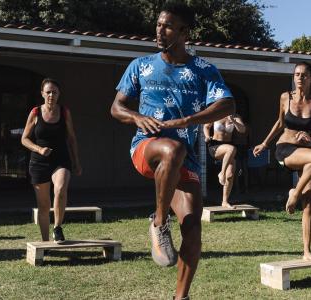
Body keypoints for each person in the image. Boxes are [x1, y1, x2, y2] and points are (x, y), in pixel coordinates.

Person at [110, 2, 234, 299]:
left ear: (184, 31)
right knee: (172, 148)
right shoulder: (141, 65)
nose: (159, 31)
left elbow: (227, 104)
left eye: (167, 26)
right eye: (158, 25)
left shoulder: (203, 70)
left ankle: (181, 296)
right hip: (146, 148)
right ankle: (159, 222)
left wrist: (191, 119)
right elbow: (116, 107)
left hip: (183, 160)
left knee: (193, 231)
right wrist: (137, 117)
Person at [253, 62, 311, 263]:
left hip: (307, 154)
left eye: (304, 75)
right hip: (285, 149)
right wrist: (264, 143)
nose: (299, 78)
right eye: (297, 74)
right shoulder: (285, 97)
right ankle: (294, 193)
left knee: (309, 204)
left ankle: (306, 251)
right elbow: (280, 123)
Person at [21, 78, 82, 243]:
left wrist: (76, 162)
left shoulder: (64, 112)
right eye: (48, 92)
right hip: (39, 163)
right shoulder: (35, 112)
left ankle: (57, 227)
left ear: (59, 94)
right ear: (42, 94)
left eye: (54, 92)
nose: (51, 95)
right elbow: (24, 139)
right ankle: (45, 242)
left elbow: (71, 138)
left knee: (61, 188)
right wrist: (39, 149)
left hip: (61, 159)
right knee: (43, 206)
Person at [203, 114, 246, 208]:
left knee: (230, 175)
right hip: (215, 146)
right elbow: (206, 126)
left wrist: (233, 121)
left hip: (229, 146)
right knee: (231, 149)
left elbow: (242, 130)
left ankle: (225, 201)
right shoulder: (217, 114)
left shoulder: (236, 117)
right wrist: (207, 136)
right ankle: (221, 173)